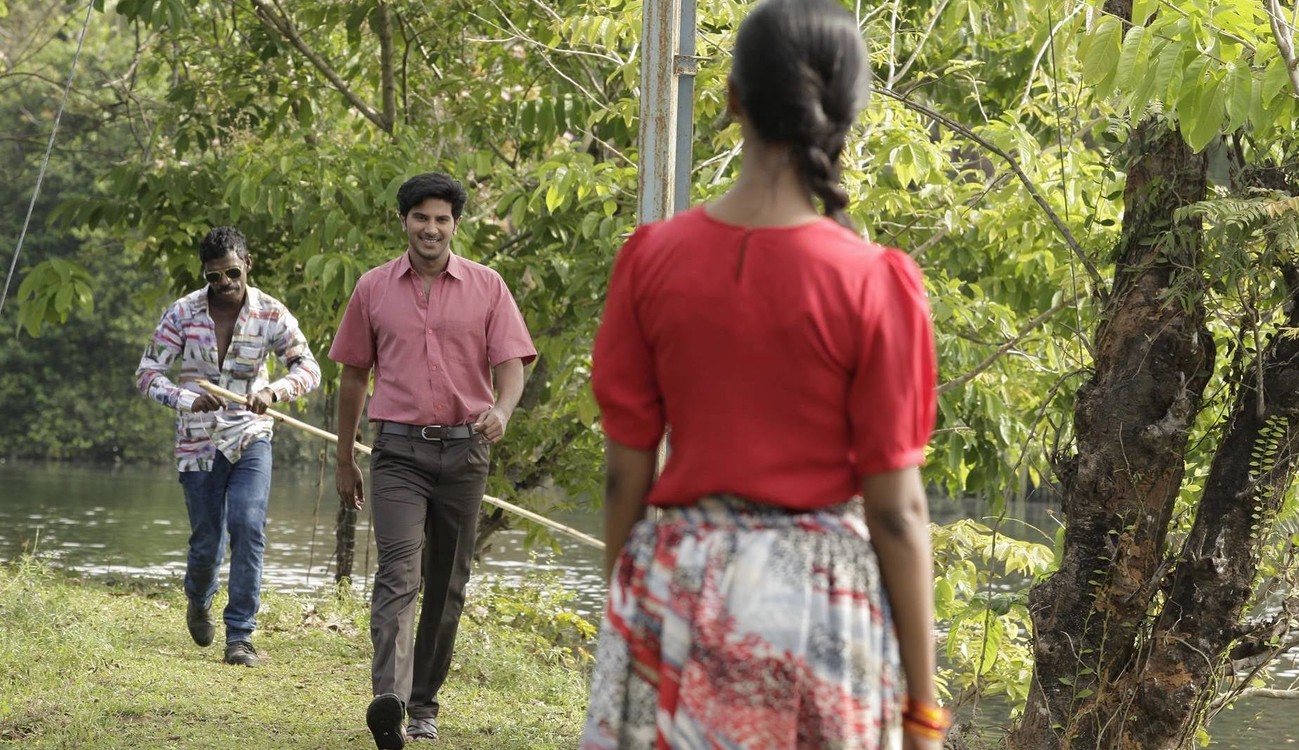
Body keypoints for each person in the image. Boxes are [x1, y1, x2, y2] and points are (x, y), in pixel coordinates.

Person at [580, 0, 946, 748]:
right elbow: (897, 513)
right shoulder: (874, 280)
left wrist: (631, 618)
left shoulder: (650, 260)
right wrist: (923, 711)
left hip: (682, 582)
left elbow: (625, 478)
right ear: (847, 112)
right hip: (821, 599)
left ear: (731, 98)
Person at [330, 171, 537, 749]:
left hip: (466, 451)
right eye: (420, 217)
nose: (431, 228)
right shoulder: (372, 288)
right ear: (404, 221)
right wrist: (345, 458)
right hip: (398, 451)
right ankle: (390, 702)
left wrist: (503, 410)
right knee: (399, 572)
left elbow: (512, 366)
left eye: (441, 219)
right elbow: (353, 377)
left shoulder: (488, 286)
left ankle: (423, 704)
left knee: (447, 584)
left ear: (455, 225)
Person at [135, 226, 321, 668]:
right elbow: (148, 373)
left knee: (248, 524)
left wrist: (273, 392)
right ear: (205, 274)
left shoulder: (271, 313)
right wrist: (186, 398)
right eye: (214, 276)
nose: (225, 283)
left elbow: (308, 367)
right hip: (197, 440)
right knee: (207, 543)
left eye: (233, 272)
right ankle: (199, 599)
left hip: (250, 434)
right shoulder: (182, 313)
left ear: (247, 265)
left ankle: (240, 635)